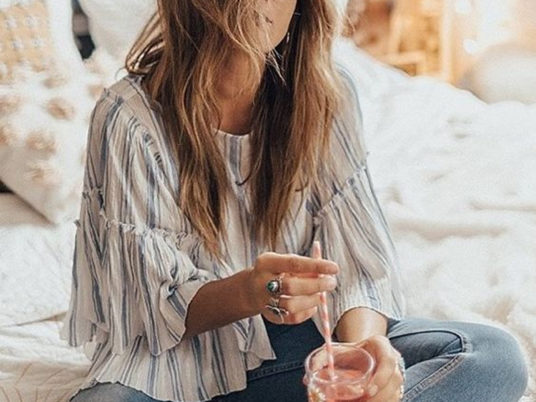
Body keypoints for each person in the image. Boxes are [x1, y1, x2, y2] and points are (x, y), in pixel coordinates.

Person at [63, 1, 528, 401]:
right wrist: (250, 291)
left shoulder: (326, 96)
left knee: (491, 357)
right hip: (167, 368)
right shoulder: (127, 118)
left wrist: (360, 353)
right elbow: (145, 306)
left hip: (291, 350)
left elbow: (357, 262)